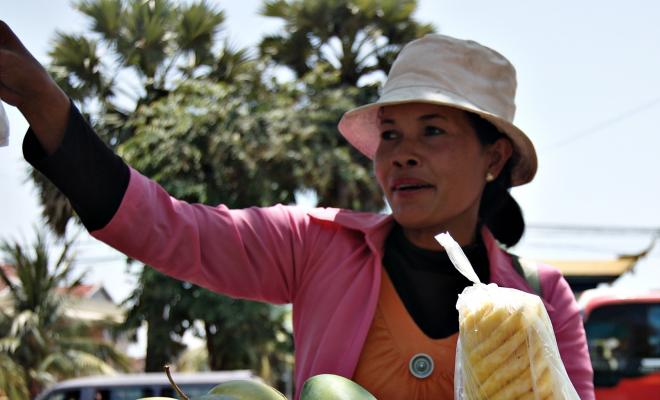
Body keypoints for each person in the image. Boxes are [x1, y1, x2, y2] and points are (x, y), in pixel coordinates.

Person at [0, 20, 594, 399]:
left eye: (432, 131)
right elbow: (169, 228)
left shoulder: (542, 299)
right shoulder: (315, 246)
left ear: (494, 156)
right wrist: (42, 102)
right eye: (390, 134)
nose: (402, 155)